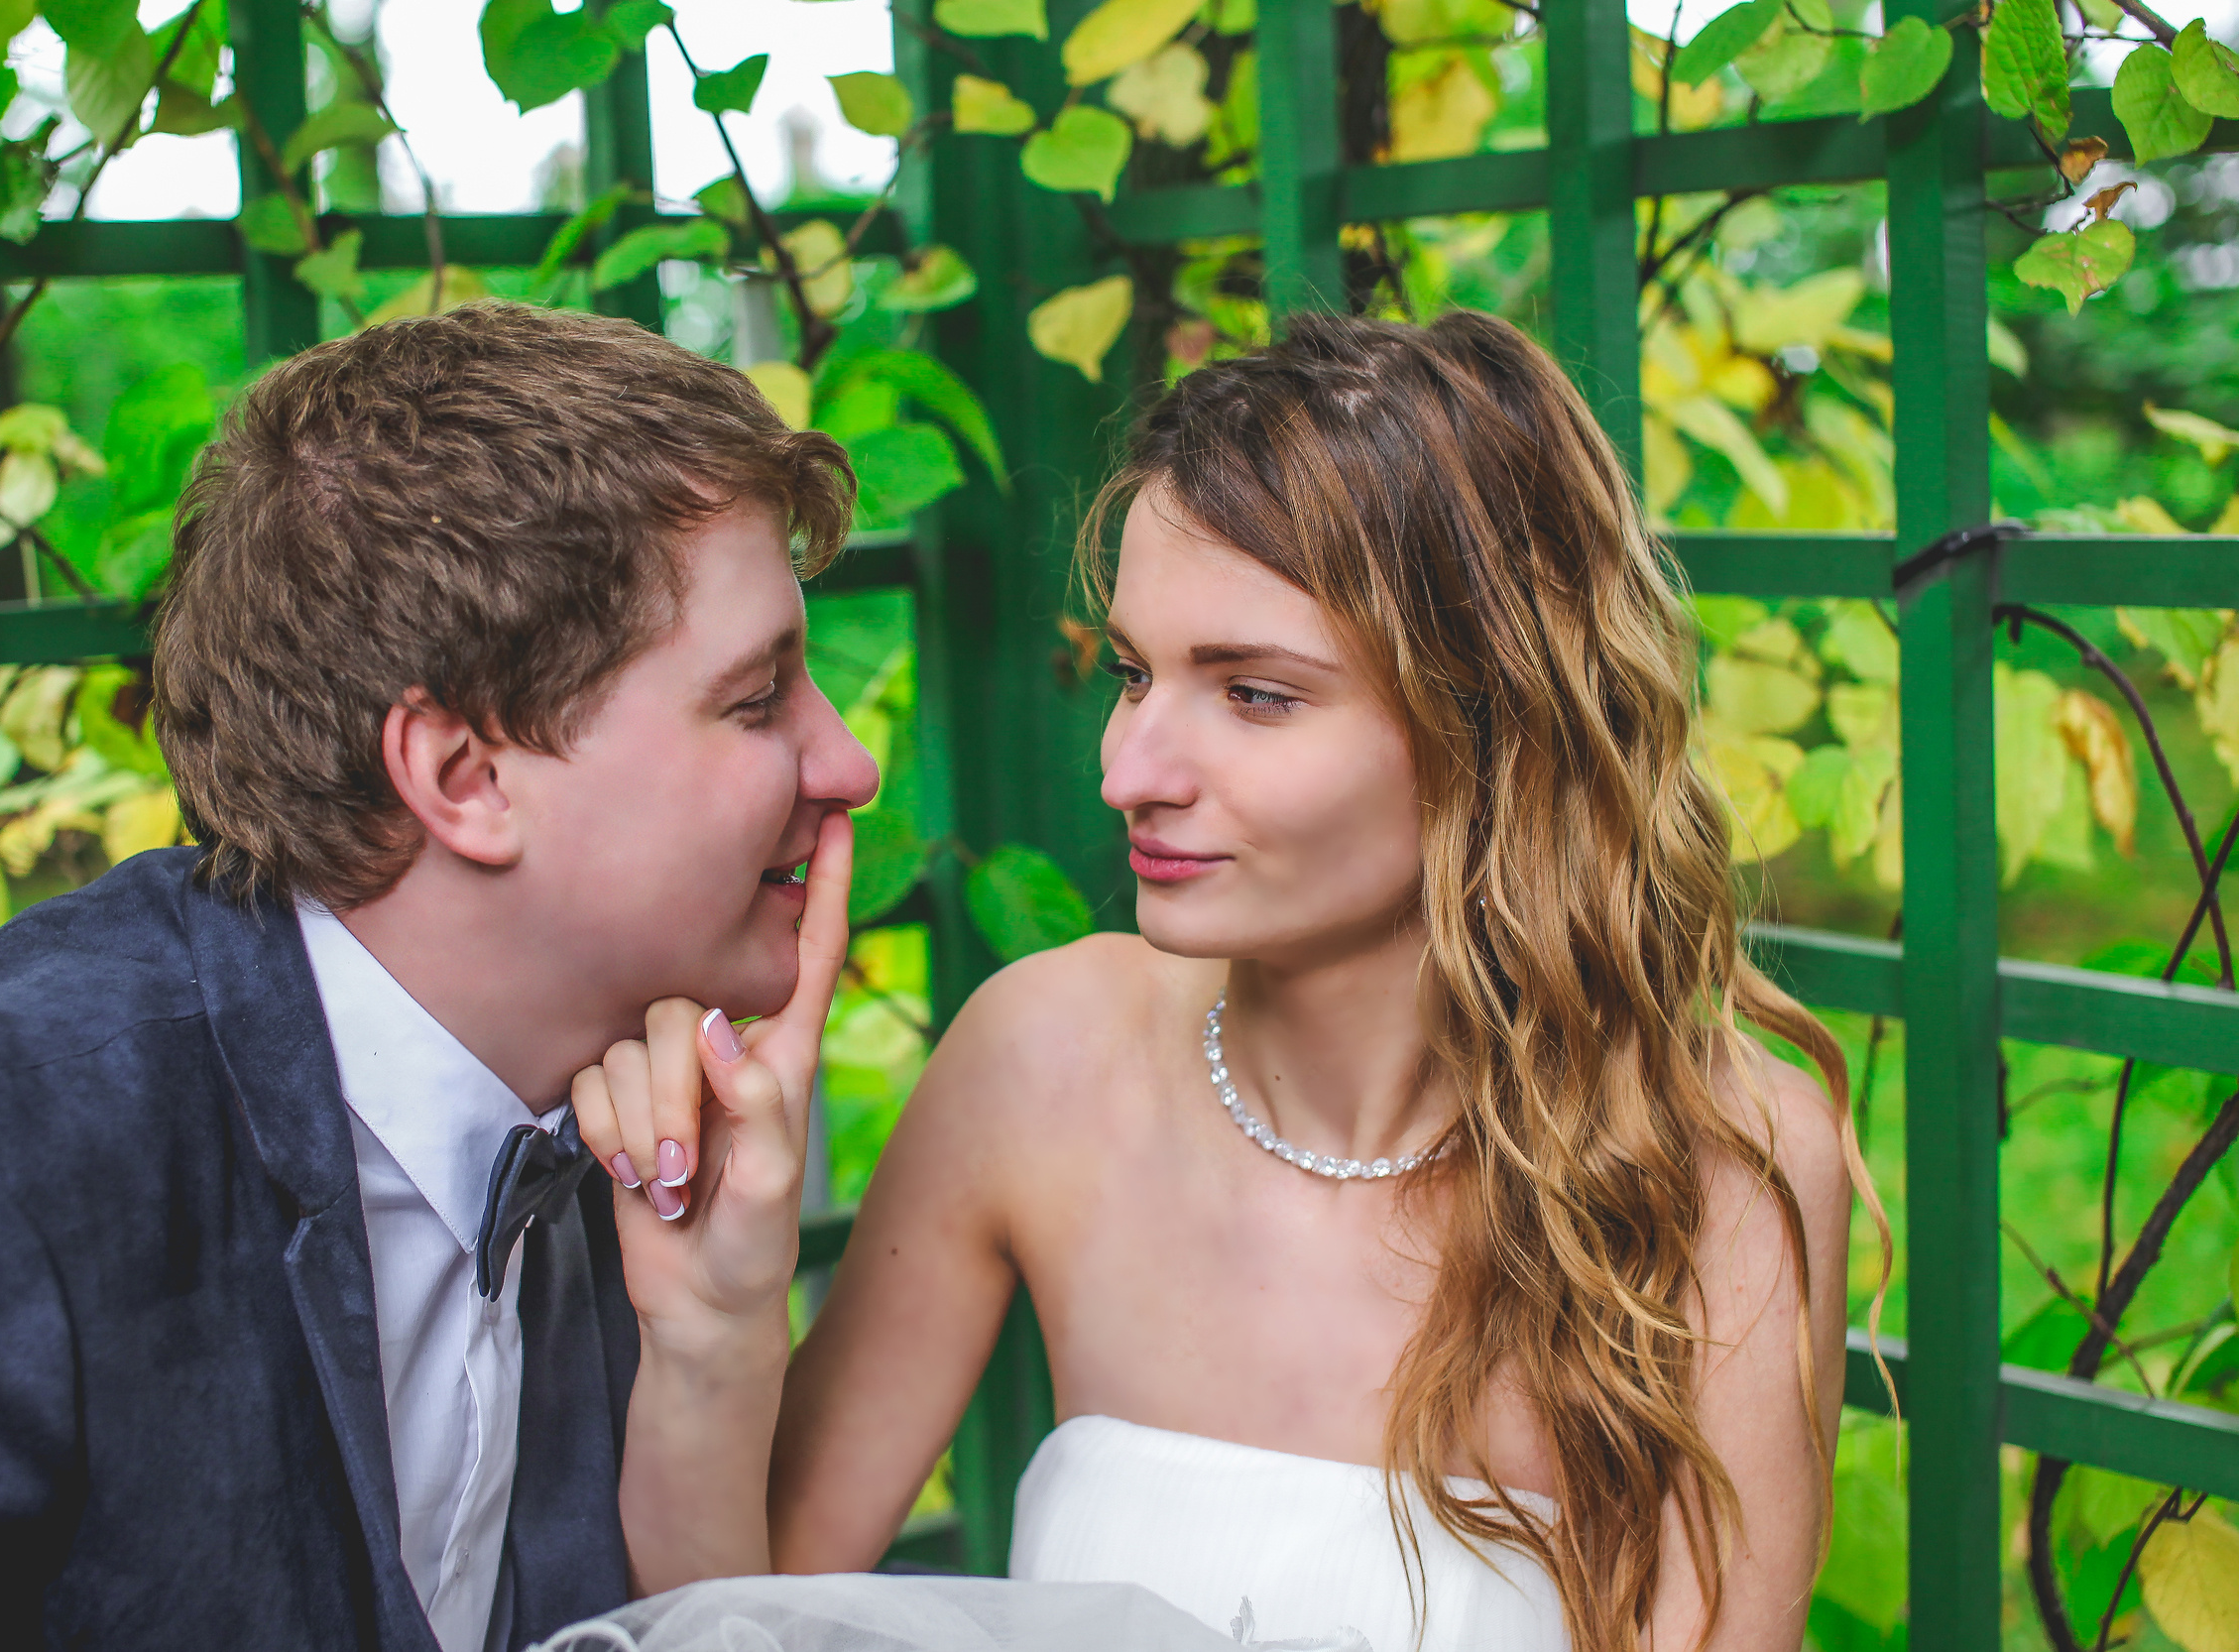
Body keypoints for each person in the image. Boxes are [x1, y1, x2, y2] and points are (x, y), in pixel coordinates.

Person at [0, 303, 876, 1651]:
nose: (847, 764)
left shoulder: (635, 1145)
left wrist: (716, 1340)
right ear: (464, 780)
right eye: (755, 698)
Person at [762, 312, 1885, 1652]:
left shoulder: (1712, 1163)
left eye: (1255, 696)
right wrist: (718, 1305)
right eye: (1134, 674)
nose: (1129, 773)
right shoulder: (1043, 1059)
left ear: (1491, 716)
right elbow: (726, 1611)